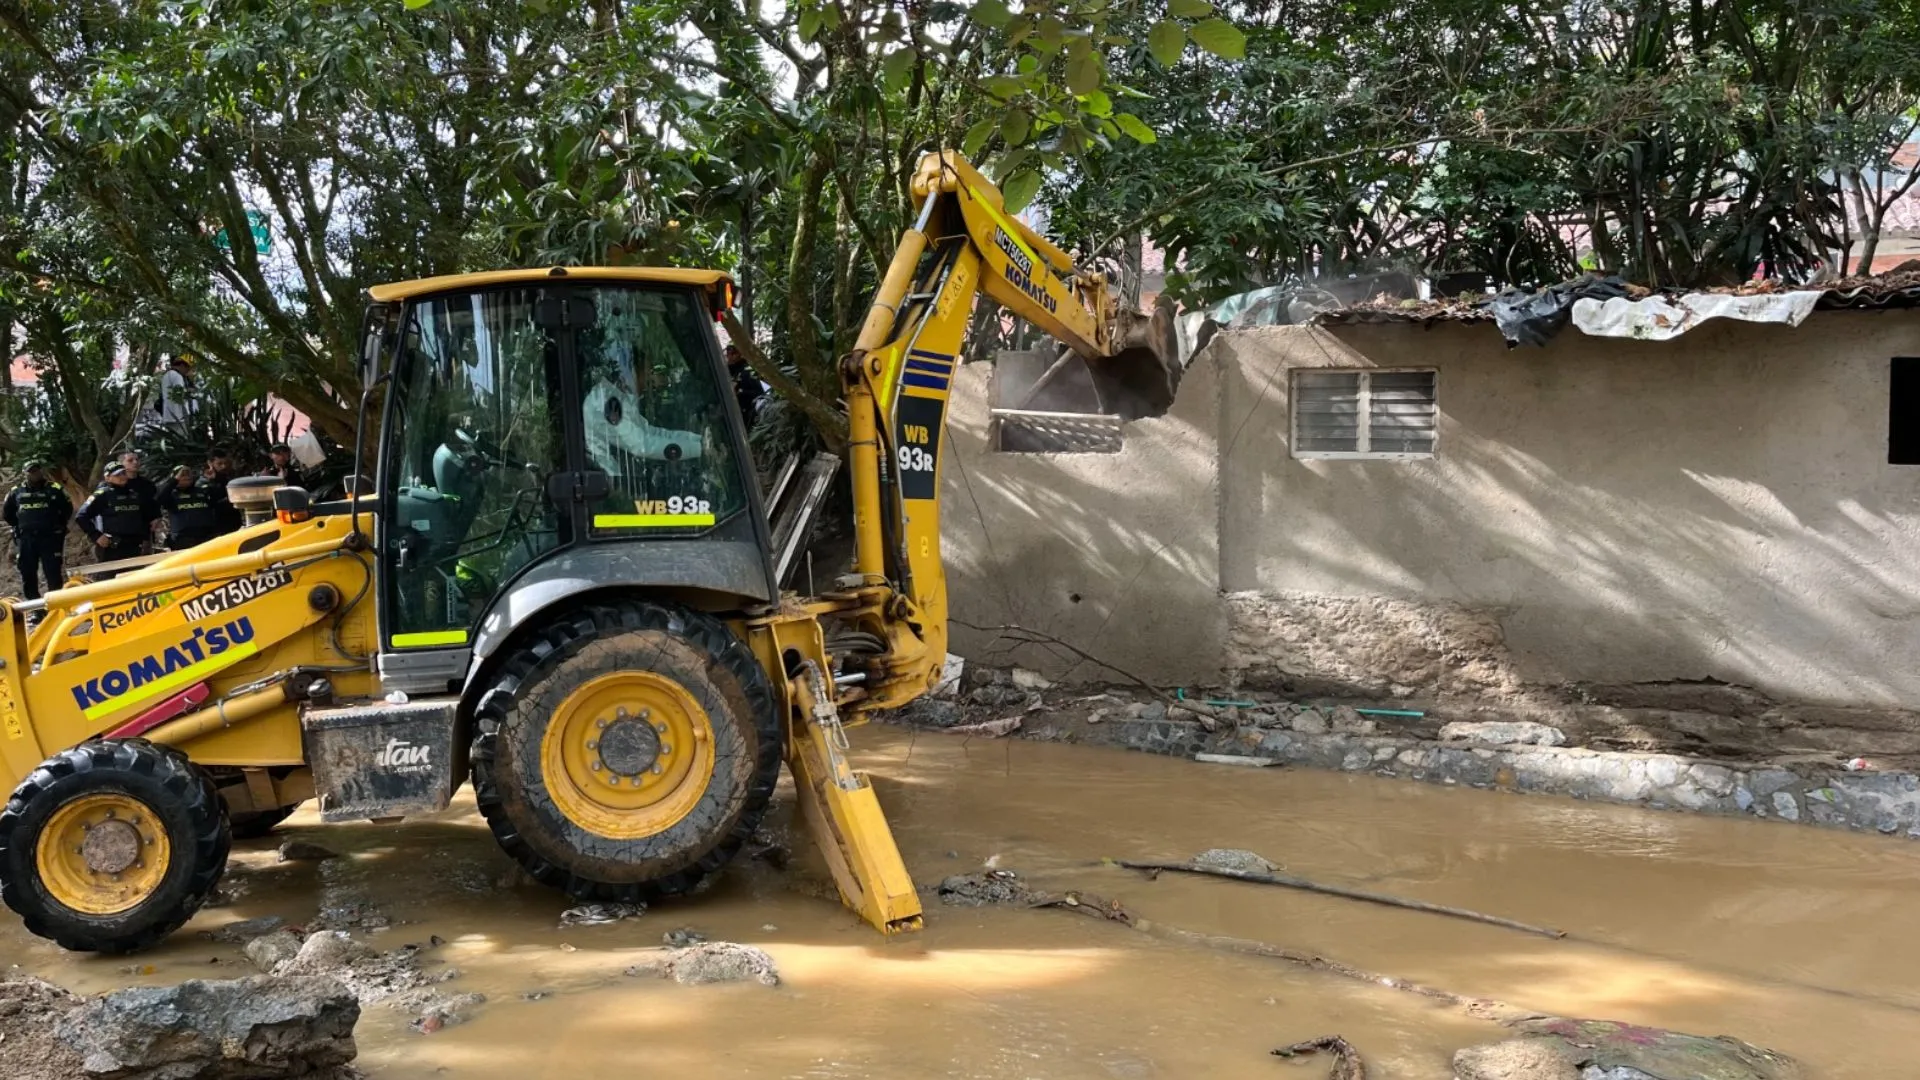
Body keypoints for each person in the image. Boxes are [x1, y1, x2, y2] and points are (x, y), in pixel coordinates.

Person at [3, 461, 72, 600]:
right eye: (31, 472)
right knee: (27, 573)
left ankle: (57, 605)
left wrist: (57, 526)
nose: (35, 474)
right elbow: (7, 514)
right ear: (25, 474)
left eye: (37, 471)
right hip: (26, 539)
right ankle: (35, 609)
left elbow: (67, 510)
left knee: (53, 572)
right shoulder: (16, 491)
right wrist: (21, 526)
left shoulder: (55, 489)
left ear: (42, 471)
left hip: (50, 538)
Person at [76, 463, 159, 564]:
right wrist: (96, 536)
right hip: (113, 547)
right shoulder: (103, 495)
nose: (122, 477)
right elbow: (81, 516)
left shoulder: (135, 494)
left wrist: (147, 535)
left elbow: (147, 515)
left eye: (123, 473)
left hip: (136, 546)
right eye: (117, 475)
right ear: (108, 477)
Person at [159, 464, 219, 550]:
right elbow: (159, 498)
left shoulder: (202, 491)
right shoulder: (171, 494)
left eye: (189, 474)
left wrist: (213, 480)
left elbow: (219, 498)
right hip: (182, 540)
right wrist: (175, 480)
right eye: (183, 474)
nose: (186, 477)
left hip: (207, 538)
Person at [725, 345, 764, 427]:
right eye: (727, 354)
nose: (729, 357)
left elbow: (759, 392)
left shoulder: (747, 371)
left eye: (731, 354)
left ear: (738, 355)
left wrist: (740, 391)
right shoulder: (729, 370)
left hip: (745, 413)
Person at [205, 449, 242, 533]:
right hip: (217, 525)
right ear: (210, 463)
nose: (224, 466)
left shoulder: (229, 477)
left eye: (226, 463)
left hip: (234, 521)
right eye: (219, 464)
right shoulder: (204, 481)